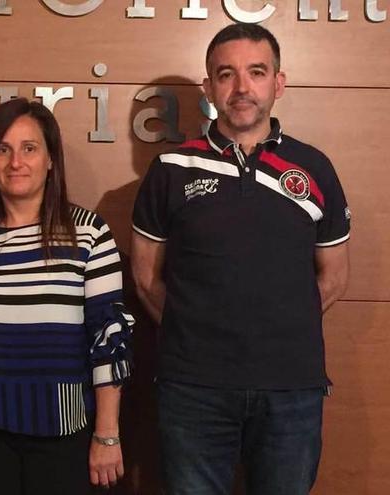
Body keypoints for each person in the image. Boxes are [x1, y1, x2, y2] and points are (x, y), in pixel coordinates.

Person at [131, 23, 350, 495]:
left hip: (291, 388)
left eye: (256, 72)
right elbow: (146, 277)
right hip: (193, 389)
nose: (242, 87)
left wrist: (279, 330)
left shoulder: (314, 169)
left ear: (279, 82)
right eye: (226, 74)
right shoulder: (171, 169)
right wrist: (197, 334)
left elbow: (333, 278)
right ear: (209, 87)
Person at [0, 98, 134, 494]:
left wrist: (108, 434)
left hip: (63, 429)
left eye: (29, 148)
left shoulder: (88, 232)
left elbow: (108, 338)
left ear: (51, 160)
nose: (16, 161)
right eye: (3, 149)